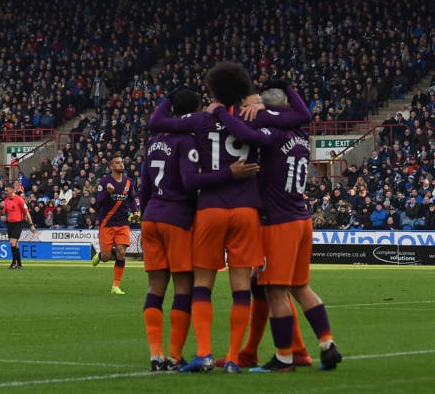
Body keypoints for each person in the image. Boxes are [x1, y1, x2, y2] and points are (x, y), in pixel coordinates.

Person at [148, 62, 306, 373]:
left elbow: (157, 122)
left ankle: (204, 354)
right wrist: (273, 98)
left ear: (213, 90)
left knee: (202, 285)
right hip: (246, 209)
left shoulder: (202, 119)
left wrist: (172, 96)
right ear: (244, 89)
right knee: (241, 288)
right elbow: (302, 117)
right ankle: (233, 358)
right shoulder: (253, 117)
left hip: (210, 208)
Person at [213, 83, 342, 372]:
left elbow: (247, 135)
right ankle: (327, 343)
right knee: (301, 287)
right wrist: (272, 104)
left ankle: (284, 358)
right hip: (301, 218)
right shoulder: (299, 135)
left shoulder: (274, 134)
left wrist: (221, 112)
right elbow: (298, 113)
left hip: (278, 223)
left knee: (275, 292)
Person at [92, 154, 138, 295]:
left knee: (121, 252)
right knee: (106, 257)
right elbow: (99, 203)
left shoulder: (128, 181)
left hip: (123, 222)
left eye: (121, 162)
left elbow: (131, 199)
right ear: (111, 166)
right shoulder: (104, 182)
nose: (121, 164)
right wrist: (108, 193)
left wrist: (135, 211)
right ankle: (100, 255)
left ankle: (115, 286)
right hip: (107, 223)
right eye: (117, 162)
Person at [1, 178, 36, 270]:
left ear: (12, 190)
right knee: (14, 244)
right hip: (10, 224)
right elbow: (4, 212)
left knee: (12, 242)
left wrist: (31, 224)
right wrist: (2, 213)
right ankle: (19, 265)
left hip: (18, 223)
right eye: (5, 190)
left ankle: (13, 263)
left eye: (7, 190)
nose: (5, 192)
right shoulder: (6, 200)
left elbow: (26, 212)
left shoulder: (19, 199)